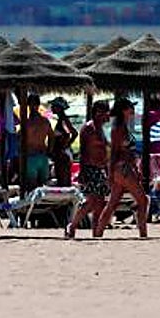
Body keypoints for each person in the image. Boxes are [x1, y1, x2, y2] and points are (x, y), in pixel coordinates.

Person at [94, 98, 149, 239]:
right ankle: (143, 233)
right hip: (123, 168)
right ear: (124, 110)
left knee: (113, 203)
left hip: (122, 168)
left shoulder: (121, 126)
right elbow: (113, 152)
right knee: (143, 200)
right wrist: (110, 173)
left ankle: (98, 232)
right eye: (131, 107)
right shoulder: (118, 128)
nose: (133, 110)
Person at [65, 100, 111, 239]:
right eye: (104, 112)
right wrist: (83, 172)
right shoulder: (88, 128)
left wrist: (107, 171)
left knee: (100, 202)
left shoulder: (101, 129)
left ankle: (96, 231)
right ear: (97, 113)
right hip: (90, 168)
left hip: (100, 169)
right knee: (91, 201)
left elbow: (105, 151)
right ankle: (72, 225)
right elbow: (84, 152)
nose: (106, 115)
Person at [20, 94, 52, 192]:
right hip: (42, 155)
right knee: (44, 185)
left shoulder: (26, 123)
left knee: (31, 186)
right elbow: (52, 136)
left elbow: (20, 138)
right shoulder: (45, 121)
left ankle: (34, 206)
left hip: (31, 156)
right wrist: (49, 150)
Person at [48, 97, 78, 187]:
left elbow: (74, 133)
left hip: (63, 155)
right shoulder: (61, 120)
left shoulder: (64, 121)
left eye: (54, 106)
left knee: (63, 179)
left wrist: (65, 146)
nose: (51, 108)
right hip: (61, 153)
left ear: (59, 108)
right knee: (61, 178)